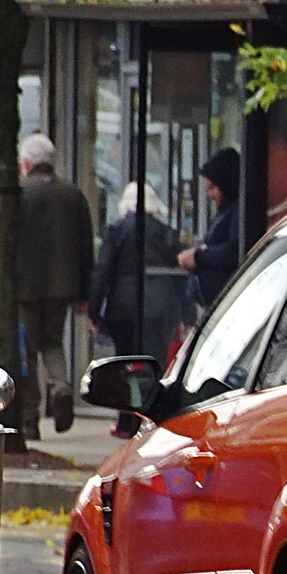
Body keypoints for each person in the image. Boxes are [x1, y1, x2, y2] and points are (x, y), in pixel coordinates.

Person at [89, 183, 182, 438]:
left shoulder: (118, 230)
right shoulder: (165, 232)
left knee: (125, 364)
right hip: (159, 307)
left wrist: (94, 310)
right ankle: (152, 419)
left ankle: (126, 422)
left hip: (124, 307)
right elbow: (178, 276)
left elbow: (103, 271)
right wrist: (183, 314)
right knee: (153, 364)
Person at [17, 133, 93, 439]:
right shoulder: (73, 195)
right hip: (62, 287)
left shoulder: (19, 195)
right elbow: (86, 248)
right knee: (52, 342)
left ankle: (29, 418)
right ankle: (61, 387)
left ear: (26, 163)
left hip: (24, 288)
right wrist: (84, 292)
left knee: (27, 351)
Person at [177, 147, 240, 308]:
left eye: (213, 188)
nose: (210, 195)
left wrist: (198, 256)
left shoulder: (238, 212)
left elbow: (233, 251)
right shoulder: (224, 213)